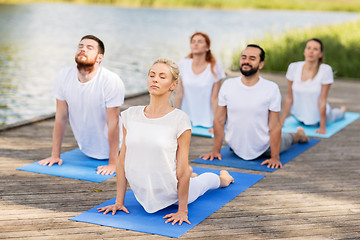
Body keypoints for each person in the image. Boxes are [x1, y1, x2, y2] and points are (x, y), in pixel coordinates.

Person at [98, 58, 234, 225]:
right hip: (143, 192)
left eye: (162, 77)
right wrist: (119, 202)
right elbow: (122, 160)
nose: (155, 79)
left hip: (172, 193)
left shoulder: (179, 119)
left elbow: (182, 170)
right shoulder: (130, 115)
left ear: (173, 85)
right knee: (183, 172)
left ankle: (224, 178)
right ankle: (193, 175)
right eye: (152, 75)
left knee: (205, 182)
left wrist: (182, 211)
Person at [201, 44, 309, 169]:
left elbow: (274, 126)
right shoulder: (228, 85)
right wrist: (216, 151)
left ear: (261, 64)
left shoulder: (271, 88)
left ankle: (299, 135)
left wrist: (275, 157)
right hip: (235, 146)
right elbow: (219, 120)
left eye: (252, 58)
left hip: (265, 146)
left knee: (287, 139)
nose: (246, 61)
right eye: (244, 57)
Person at [38, 35, 125, 175]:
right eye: (80, 46)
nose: (83, 49)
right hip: (85, 149)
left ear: (99, 57)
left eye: (89, 48)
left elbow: (113, 123)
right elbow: (60, 117)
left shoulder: (111, 80)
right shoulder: (64, 75)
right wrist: (55, 155)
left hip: (120, 148)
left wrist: (113, 163)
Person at [280, 38, 346, 134]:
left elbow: (322, 100)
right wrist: (281, 122)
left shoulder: (325, 70)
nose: (311, 51)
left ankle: (342, 111)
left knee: (336, 115)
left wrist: (322, 127)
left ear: (320, 54)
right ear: (304, 51)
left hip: (320, 119)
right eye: (308, 48)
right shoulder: (293, 67)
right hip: (298, 117)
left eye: (315, 49)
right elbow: (289, 97)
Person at [174, 32, 226, 132]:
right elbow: (179, 94)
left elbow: (215, 98)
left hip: (207, 122)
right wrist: (175, 118)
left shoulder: (215, 67)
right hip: (186, 120)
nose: (196, 44)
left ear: (207, 47)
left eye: (200, 41)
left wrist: (216, 124)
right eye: (193, 42)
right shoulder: (183, 64)